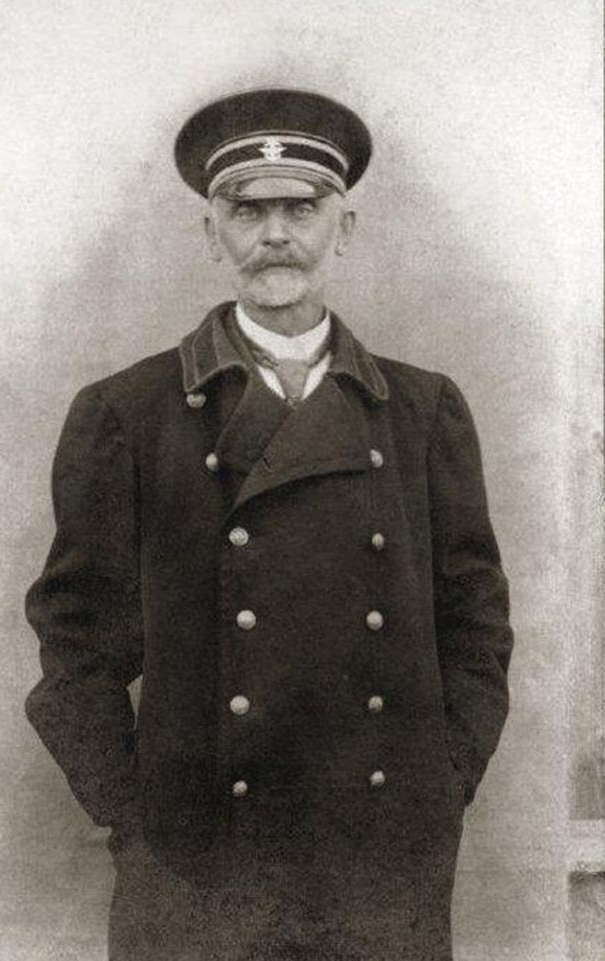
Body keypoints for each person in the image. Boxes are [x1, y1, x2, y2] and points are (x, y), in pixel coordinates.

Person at [25, 88, 514, 961]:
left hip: (381, 863)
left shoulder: (423, 411)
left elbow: (476, 625)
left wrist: (445, 781)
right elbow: (76, 648)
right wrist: (136, 817)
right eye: (247, 211)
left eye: (302, 208)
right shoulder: (127, 414)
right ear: (210, 232)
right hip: (199, 866)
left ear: (344, 227)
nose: (275, 234)